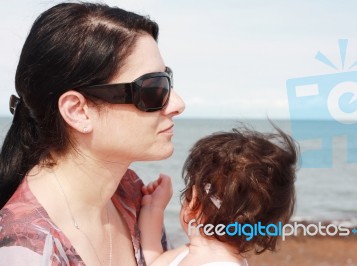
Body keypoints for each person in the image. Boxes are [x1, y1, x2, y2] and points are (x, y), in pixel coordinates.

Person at [0, 2, 185, 265]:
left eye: (167, 80)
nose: (177, 104)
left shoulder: (130, 193)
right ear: (78, 111)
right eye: (153, 88)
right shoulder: (27, 251)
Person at [139, 126, 298, 266]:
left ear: (194, 203)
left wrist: (153, 207)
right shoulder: (189, 253)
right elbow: (154, 260)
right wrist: (153, 207)